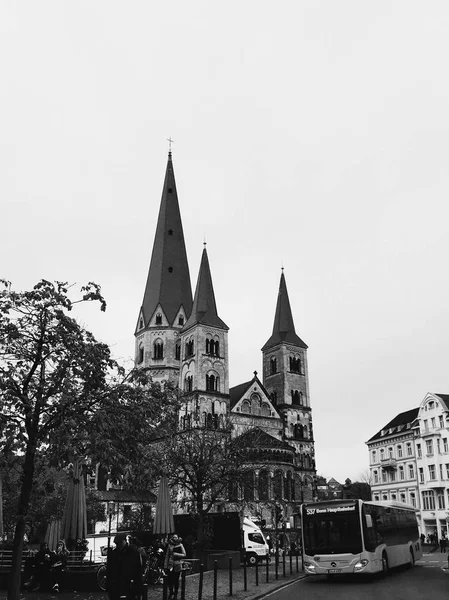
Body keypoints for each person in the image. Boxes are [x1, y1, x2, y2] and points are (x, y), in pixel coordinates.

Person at [106, 532, 143, 600]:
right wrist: (109, 588)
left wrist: (138, 591)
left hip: (129, 587)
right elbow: (109, 571)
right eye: (116, 544)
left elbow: (138, 572)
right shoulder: (114, 554)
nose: (118, 546)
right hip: (116, 588)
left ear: (125, 541)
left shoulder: (133, 553)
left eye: (120, 543)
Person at [164, 534, 186, 600]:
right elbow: (167, 555)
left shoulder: (180, 545)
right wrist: (165, 565)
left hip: (177, 564)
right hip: (170, 565)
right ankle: (171, 592)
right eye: (173, 537)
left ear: (178, 538)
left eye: (176, 537)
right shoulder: (170, 545)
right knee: (170, 580)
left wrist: (176, 554)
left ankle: (175, 594)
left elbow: (184, 554)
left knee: (176, 580)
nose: (174, 538)